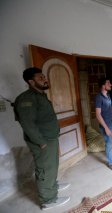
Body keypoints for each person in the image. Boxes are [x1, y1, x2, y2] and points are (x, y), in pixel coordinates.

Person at [14, 67, 70, 210]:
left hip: (50, 137)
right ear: (31, 81)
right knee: (44, 168)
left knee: (52, 165)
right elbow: (27, 124)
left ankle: (52, 186)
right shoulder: (26, 99)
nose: (45, 79)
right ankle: (48, 200)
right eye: (40, 78)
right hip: (42, 141)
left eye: (44, 76)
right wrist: (41, 142)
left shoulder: (40, 95)